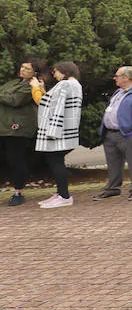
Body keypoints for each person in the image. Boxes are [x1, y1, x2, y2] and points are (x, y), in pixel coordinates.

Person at [94, 66, 132, 200]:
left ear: (126, 78)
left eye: (117, 75)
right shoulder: (119, 92)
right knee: (113, 162)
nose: (115, 78)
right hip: (110, 133)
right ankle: (113, 188)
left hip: (128, 134)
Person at [34, 60, 81, 209]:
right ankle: (61, 193)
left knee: (55, 161)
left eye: (55, 72)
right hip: (66, 129)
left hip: (58, 130)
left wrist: (36, 89)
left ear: (64, 71)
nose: (54, 75)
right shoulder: (75, 85)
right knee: (56, 161)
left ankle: (64, 195)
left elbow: (54, 107)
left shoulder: (65, 84)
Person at [0, 59, 42, 206]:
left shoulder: (31, 85)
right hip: (3, 127)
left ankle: (19, 192)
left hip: (18, 128)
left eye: (27, 69)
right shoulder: (12, 83)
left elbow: (15, 100)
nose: (23, 70)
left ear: (35, 72)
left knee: (15, 159)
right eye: (22, 67)